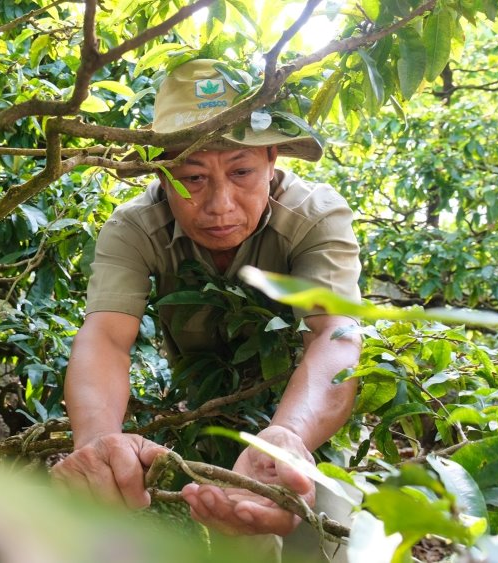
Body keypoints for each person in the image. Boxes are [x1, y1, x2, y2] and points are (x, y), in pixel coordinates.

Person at [51, 59, 363, 560]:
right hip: (208, 408)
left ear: (272, 160)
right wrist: (99, 443)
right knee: (235, 536)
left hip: (308, 416)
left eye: (241, 172)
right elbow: (106, 337)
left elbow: (335, 335)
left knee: (322, 538)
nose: (219, 204)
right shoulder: (134, 228)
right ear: (160, 171)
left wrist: (286, 436)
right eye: (192, 177)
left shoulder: (314, 217)